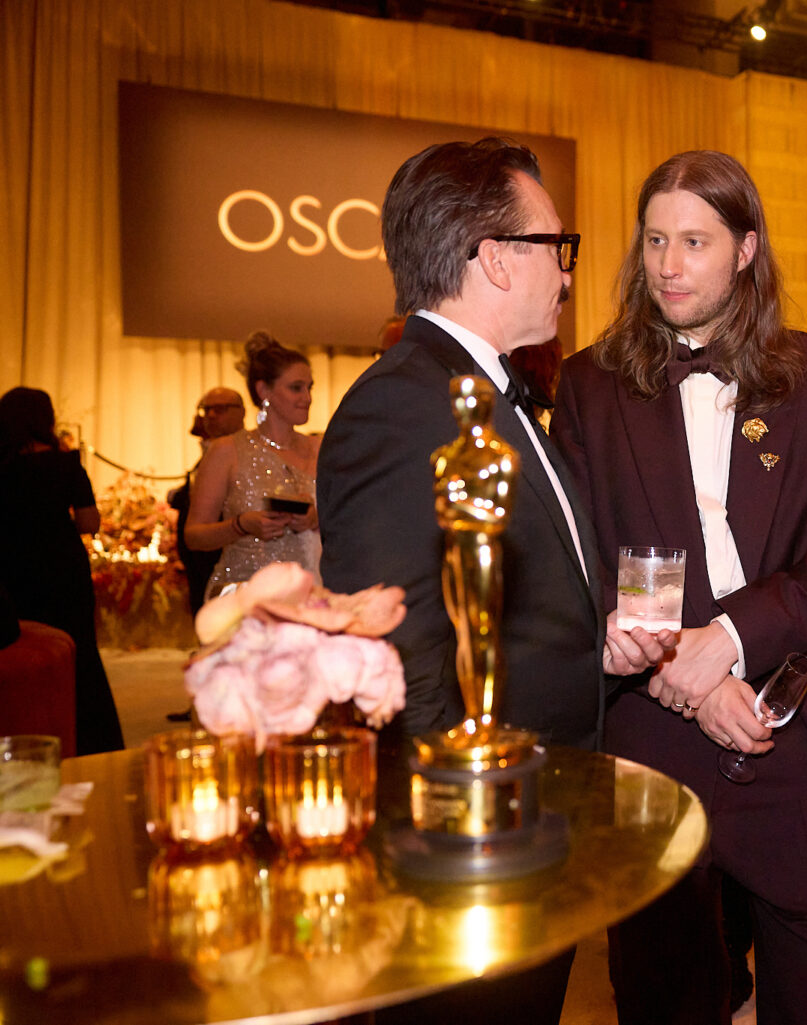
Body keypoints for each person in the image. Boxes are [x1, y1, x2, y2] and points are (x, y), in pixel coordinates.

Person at [316, 137, 669, 1025]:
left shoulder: (484, 390)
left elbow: (505, 603)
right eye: (560, 245)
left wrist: (598, 643)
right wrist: (475, 836)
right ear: (499, 259)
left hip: (533, 804)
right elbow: (403, 657)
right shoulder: (404, 404)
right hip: (478, 838)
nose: (567, 272)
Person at [551, 149, 807, 1025]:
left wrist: (728, 644)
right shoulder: (587, 386)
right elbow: (576, 568)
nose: (668, 264)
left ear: (745, 249)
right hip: (650, 719)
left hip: (785, 710)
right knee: (664, 984)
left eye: (694, 241)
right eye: (656, 239)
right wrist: (686, 678)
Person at [0, 387, 124, 754]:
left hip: (10, 567)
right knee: (78, 651)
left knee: (20, 650)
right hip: (60, 566)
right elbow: (89, 522)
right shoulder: (65, 464)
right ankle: (87, 741)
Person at [184, 332, 321, 600]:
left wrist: (315, 519)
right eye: (296, 387)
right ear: (263, 391)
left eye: (309, 387)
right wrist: (241, 525)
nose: (307, 397)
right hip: (243, 596)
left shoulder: (321, 449)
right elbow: (194, 536)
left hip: (309, 593)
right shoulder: (227, 451)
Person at [168, 387, 245, 616]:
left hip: (225, 551)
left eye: (219, 409)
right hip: (198, 553)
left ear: (241, 412)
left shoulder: (246, 452)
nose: (210, 415)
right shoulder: (211, 449)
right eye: (206, 409)